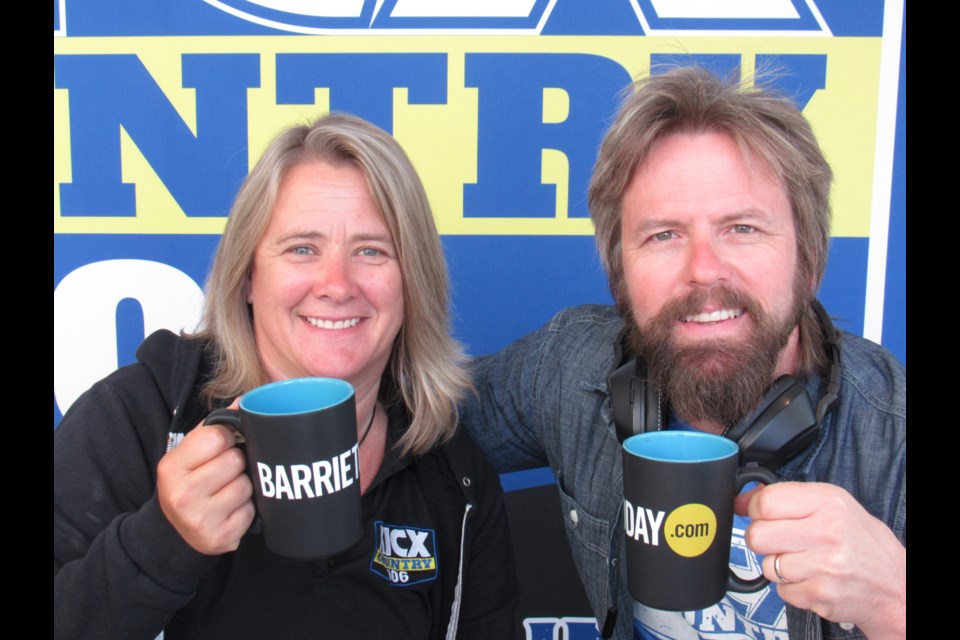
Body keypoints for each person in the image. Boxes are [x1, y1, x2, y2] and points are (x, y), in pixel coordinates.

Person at [462, 67, 905, 640]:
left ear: (809, 258)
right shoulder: (567, 369)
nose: (703, 271)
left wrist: (893, 597)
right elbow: (414, 417)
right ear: (620, 276)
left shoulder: (894, 436)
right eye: (664, 235)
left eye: (742, 228)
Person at [54, 113, 519, 639]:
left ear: (412, 283)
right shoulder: (136, 419)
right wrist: (163, 543)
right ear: (249, 275)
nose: (337, 285)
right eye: (302, 248)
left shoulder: (451, 472)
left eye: (372, 251)